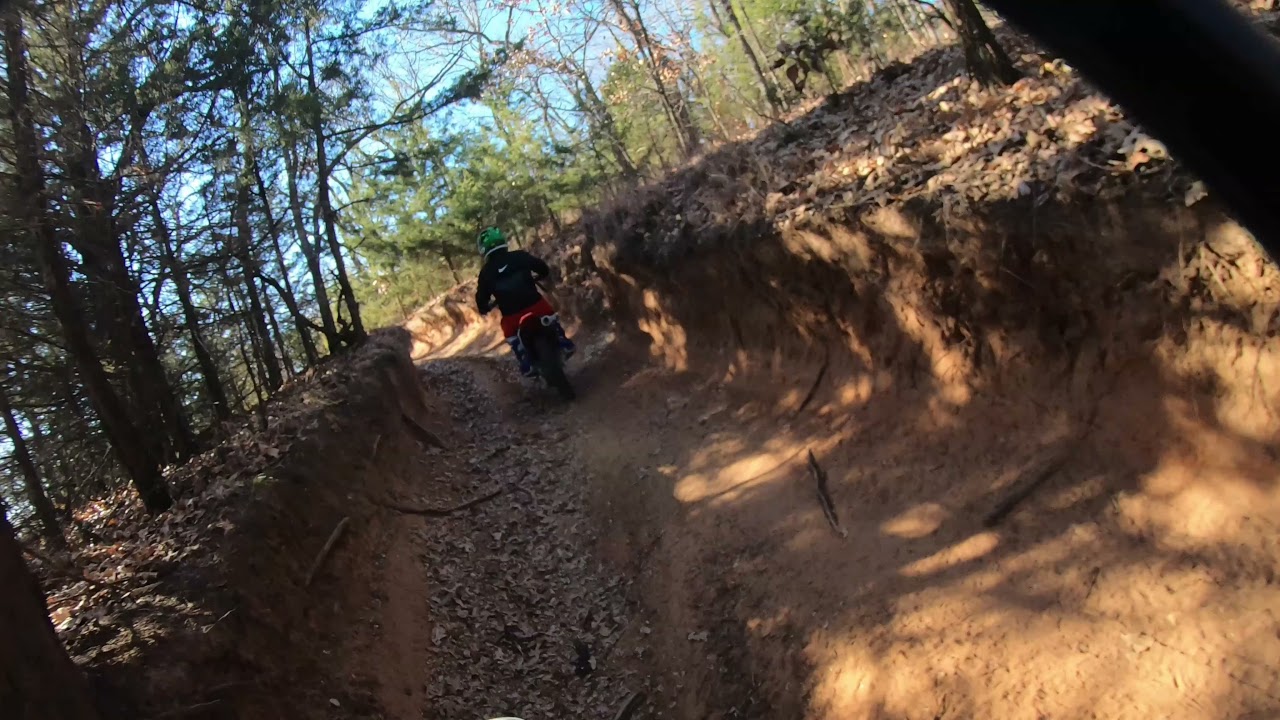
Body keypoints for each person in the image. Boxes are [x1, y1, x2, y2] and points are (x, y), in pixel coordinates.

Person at [474, 226, 575, 377]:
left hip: (512, 316)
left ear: (483, 249)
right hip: (535, 306)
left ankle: (525, 360)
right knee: (550, 317)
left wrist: (484, 307)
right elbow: (541, 267)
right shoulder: (519, 256)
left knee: (510, 333)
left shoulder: (485, 273)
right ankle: (563, 341)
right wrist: (541, 274)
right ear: (502, 241)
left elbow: (481, 298)